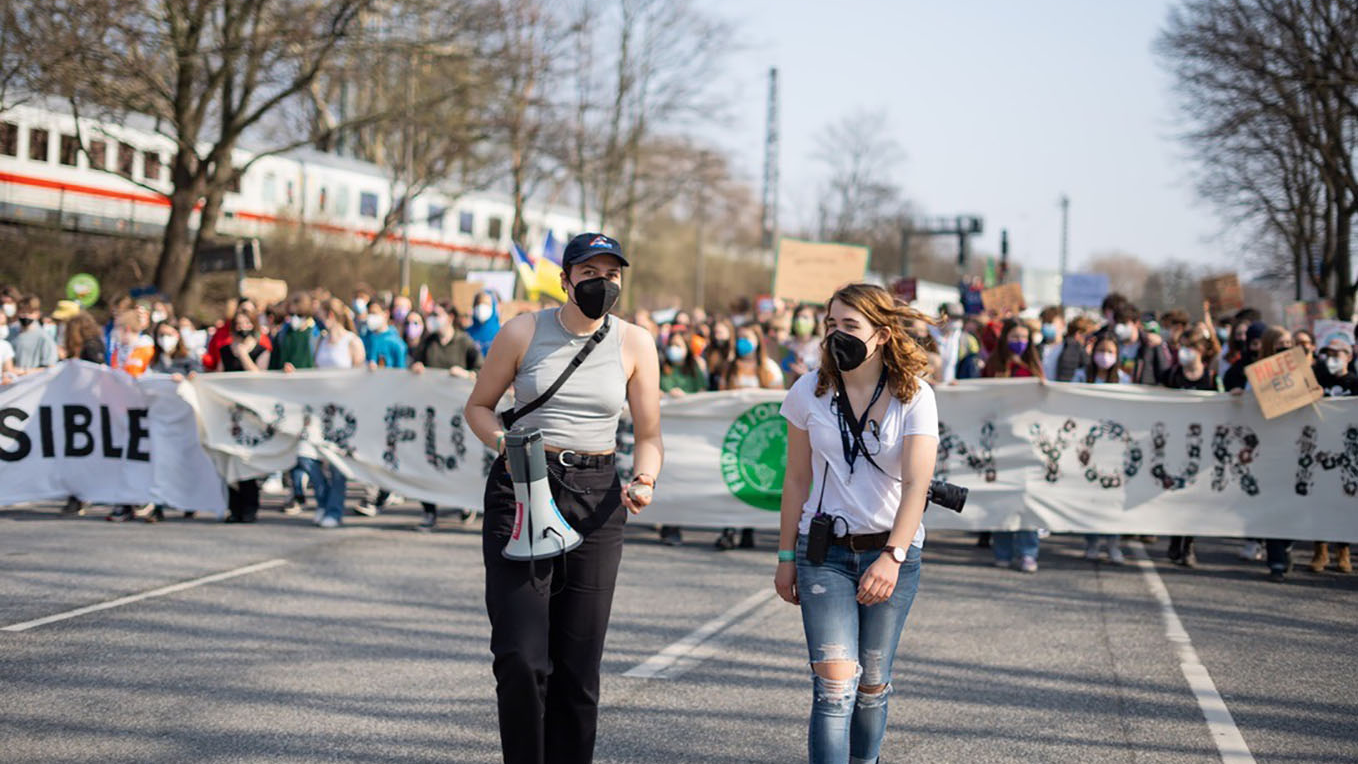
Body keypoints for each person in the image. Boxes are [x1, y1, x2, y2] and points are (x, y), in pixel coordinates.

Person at [463, 232, 662, 764]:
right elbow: (479, 407)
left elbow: (648, 435)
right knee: (521, 658)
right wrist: (503, 444)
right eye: (590, 273)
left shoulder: (636, 342)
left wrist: (644, 479)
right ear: (566, 279)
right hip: (524, 484)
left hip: (597, 497)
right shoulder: (523, 331)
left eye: (612, 274)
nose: (602, 283)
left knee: (578, 666)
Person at [774, 282, 937, 764]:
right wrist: (786, 557)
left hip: (891, 554)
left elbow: (916, 486)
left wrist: (893, 556)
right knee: (834, 688)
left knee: (871, 684)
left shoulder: (915, 395)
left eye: (850, 326)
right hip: (824, 555)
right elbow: (796, 479)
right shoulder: (809, 389)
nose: (835, 335)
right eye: (831, 325)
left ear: (883, 334)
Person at [410, 302, 483, 530]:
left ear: (450, 317)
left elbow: (482, 371)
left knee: (458, 458)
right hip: (430, 414)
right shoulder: (428, 342)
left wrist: (466, 374)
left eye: (437, 315)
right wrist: (416, 369)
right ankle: (429, 511)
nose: (433, 319)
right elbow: (413, 365)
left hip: (457, 416)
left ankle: (464, 503)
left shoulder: (465, 343)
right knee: (427, 460)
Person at [716, 324, 783, 550]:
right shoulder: (730, 368)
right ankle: (728, 529)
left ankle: (748, 530)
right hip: (734, 433)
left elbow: (778, 398)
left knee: (751, 482)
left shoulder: (769, 368)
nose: (743, 342)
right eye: (740, 338)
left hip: (758, 434)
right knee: (730, 482)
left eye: (748, 338)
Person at [306, 299, 365, 528]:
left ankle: (334, 509)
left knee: (337, 463)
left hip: (344, 411)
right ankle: (323, 501)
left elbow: (360, 376)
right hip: (320, 407)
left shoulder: (352, 342)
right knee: (306, 457)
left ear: (331, 315)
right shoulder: (320, 340)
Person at [1307, 327, 1356, 574]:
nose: (1334, 357)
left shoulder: (1355, 383)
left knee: (1344, 501)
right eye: (1329, 353)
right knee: (1321, 501)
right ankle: (1320, 550)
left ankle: (1343, 551)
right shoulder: (1316, 379)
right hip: (1320, 450)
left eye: (1339, 353)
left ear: (1349, 356)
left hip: (1348, 453)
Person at [218, 306, 270, 523]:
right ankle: (234, 506)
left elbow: (260, 376)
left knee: (247, 461)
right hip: (231, 411)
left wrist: (244, 355)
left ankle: (250, 506)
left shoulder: (261, 351)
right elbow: (219, 378)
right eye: (238, 326)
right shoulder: (225, 351)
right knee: (229, 458)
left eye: (246, 325)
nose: (242, 329)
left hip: (251, 412)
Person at [11, 295, 59, 371]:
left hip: (34, 381)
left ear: (37, 314)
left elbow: (50, 366)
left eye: (30, 312)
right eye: (23, 312)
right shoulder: (11, 332)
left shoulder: (44, 337)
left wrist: (24, 371)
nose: (26, 315)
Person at [362, 300, 407, 370]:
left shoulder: (396, 343)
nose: (370, 317)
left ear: (386, 314)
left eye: (374, 313)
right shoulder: (364, 339)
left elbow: (401, 372)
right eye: (369, 313)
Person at [466, 290, 501, 358]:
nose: (481, 307)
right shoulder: (467, 334)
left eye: (486, 304)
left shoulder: (502, 333)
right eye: (478, 303)